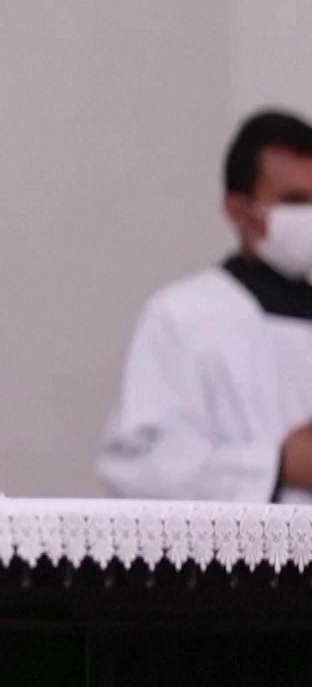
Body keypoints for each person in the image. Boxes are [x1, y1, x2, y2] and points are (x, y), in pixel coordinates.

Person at [98, 109, 312, 503]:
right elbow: (138, 466)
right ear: (238, 209)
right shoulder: (182, 318)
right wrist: (279, 465)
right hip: (241, 562)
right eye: (295, 202)